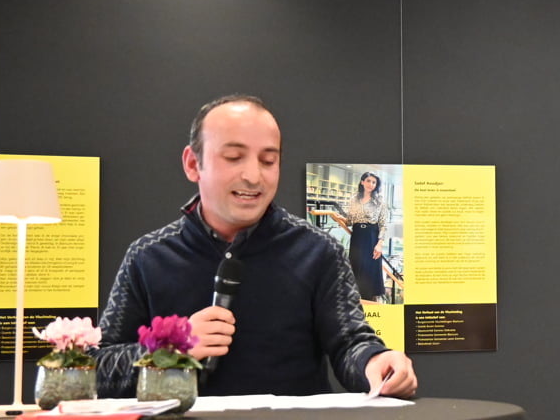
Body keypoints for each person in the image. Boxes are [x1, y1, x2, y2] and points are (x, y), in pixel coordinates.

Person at [95, 95, 417, 398]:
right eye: (234, 158)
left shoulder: (318, 251)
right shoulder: (147, 257)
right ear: (193, 164)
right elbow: (97, 369)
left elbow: (350, 342)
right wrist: (172, 348)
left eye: (268, 160)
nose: (253, 176)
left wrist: (376, 361)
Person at [309, 172, 391, 303]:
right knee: (356, 266)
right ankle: (356, 300)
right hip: (358, 236)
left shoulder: (379, 200)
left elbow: (383, 224)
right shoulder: (354, 199)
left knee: (370, 269)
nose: (371, 184)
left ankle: (370, 300)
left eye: (374, 182)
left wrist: (380, 243)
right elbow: (350, 221)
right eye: (368, 181)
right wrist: (340, 218)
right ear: (362, 182)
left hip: (371, 236)